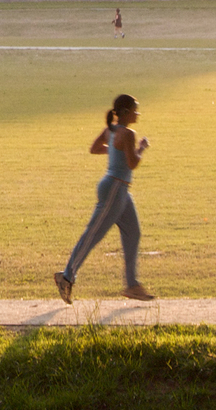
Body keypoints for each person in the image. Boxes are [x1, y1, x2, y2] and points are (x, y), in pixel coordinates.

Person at [54, 93, 155, 303]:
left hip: (119, 190)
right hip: (114, 190)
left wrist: (115, 152)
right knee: (93, 234)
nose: (138, 113)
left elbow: (95, 148)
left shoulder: (110, 130)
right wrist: (141, 149)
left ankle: (132, 285)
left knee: (133, 233)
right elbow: (133, 163)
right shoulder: (128, 133)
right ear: (126, 112)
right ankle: (66, 276)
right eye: (135, 109)